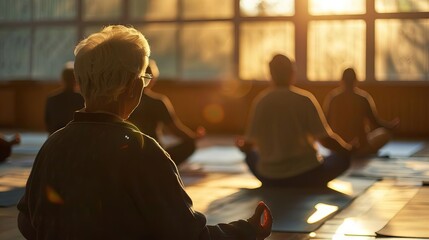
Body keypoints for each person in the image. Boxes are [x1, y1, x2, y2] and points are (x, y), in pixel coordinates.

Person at [17, 25, 272, 240]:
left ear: (81, 84)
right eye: (144, 78)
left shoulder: (53, 146)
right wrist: (247, 230)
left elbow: (26, 221)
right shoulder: (145, 152)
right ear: (134, 87)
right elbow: (188, 235)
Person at [236, 54, 353, 188]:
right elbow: (325, 140)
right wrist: (348, 149)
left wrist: (241, 145)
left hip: (270, 177)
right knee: (343, 159)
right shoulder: (305, 99)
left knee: (250, 156)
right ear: (292, 73)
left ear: (271, 74)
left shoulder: (261, 101)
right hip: (306, 176)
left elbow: (249, 145)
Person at [128, 60, 205, 166]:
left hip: (129, 152)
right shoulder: (157, 102)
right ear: (153, 78)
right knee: (190, 145)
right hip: (154, 153)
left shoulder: (124, 100)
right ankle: (162, 166)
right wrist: (192, 138)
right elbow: (174, 129)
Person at [323, 68, 400, 156]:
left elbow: (325, 123)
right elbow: (375, 121)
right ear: (355, 80)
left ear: (342, 80)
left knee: (324, 139)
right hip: (361, 145)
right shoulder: (362, 98)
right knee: (386, 134)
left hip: (338, 147)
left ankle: (347, 150)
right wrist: (390, 127)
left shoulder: (333, 98)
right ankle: (360, 151)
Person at [45, 63, 85, 135]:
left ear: (62, 79)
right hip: (75, 136)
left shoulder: (52, 98)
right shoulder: (81, 99)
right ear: (75, 80)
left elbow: (48, 122)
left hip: (54, 137)